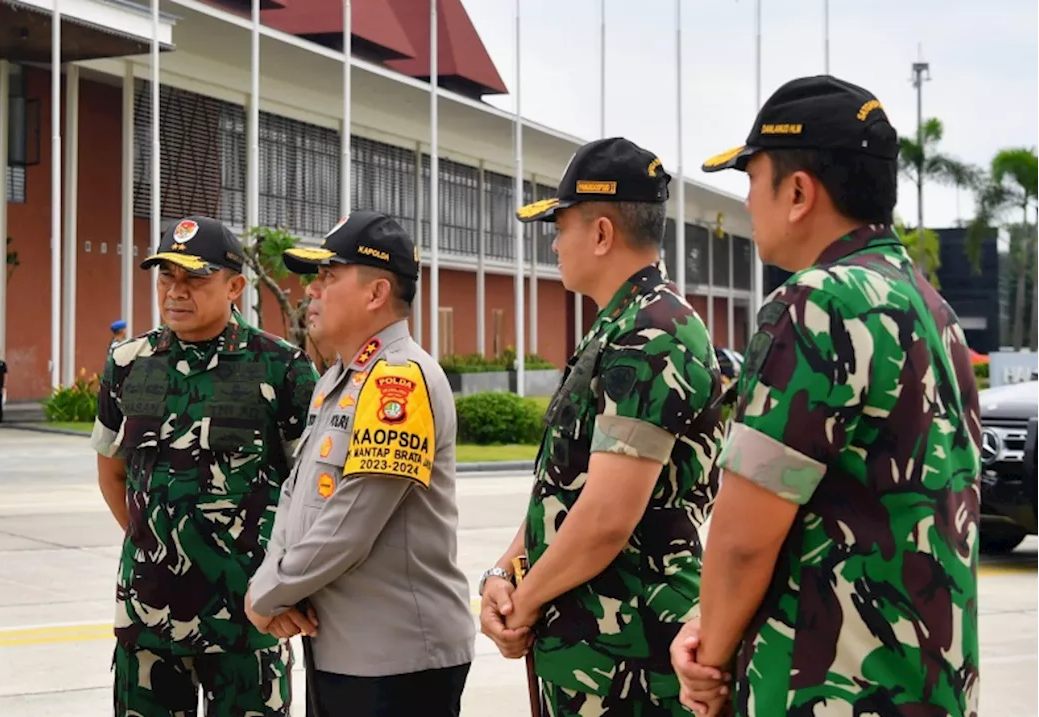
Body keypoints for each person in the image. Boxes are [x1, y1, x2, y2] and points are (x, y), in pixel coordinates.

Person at [670, 75, 982, 716]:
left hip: (831, 692)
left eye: (752, 179)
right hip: (933, 688)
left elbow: (744, 536)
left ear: (798, 192)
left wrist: (709, 653)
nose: (749, 201)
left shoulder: (817, 304)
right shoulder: (930, 308)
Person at [478, 137, 725, 716]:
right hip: (591, 649)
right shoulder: (617, 328)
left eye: (560, 227)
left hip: (633, 656)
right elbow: (563, 489)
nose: (556, 244)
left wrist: (525, 602)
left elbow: (608, 516)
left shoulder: (652, 333)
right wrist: (505, 570)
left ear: (602, 233)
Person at [245, 210, 477, 717]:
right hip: (345, 651)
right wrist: (278, 584)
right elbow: (297, 493)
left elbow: (353, 520)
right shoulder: (339, 380)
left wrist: (269, 591)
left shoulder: (400, 379)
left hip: (398, 660)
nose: (311, 291)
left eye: (327, 277)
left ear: (375, 293)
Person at [90, 215, 319, 717]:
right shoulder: (129, 361)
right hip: (148, 614)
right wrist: (153, 542)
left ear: (234, 285)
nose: (176, 291)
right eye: (166, 276)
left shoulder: (282, 367)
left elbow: (313, 489)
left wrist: (287, 581)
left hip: (247, 619)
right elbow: (111, 471)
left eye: (195, 278)